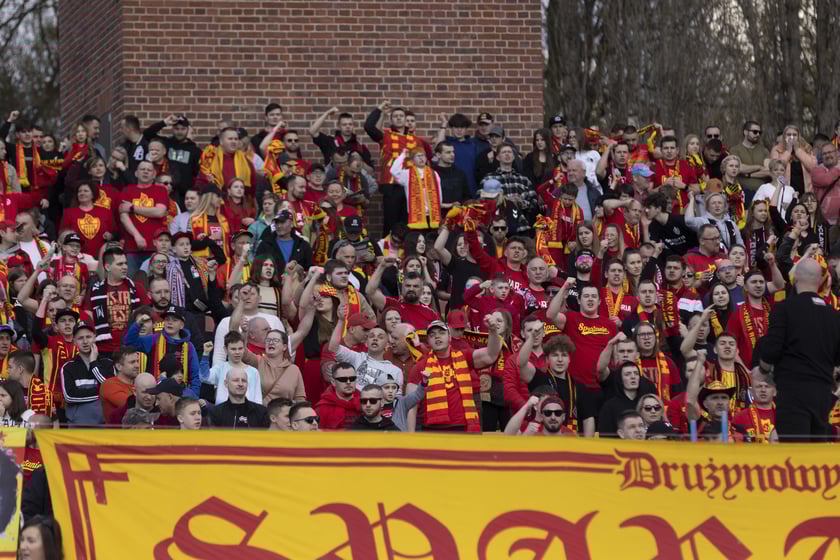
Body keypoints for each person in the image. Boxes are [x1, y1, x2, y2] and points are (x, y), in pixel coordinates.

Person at [759, 258, 840, 441]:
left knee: (794, 451)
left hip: (793, 393)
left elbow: (771, 350)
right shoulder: (834, 315)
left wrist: (763, 369)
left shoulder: (784, 309)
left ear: (795, 279)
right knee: (816, 452)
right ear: (819, 281)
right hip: (822, 395)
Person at [406, 319, 502, 432]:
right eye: (432, 335)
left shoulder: (464, 356)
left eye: (441, 333)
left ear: (450, 337)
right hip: (433, 430)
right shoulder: (420, 367)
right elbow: (411, 406)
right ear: (428, 341)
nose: (437, 337)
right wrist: (410, 437)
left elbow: (491, 355)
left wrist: (493, 331)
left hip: (464, 427)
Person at [517, 332, 596, 435]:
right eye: (555, 355)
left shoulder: (579, 386)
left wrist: (587, 443)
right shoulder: (538, 378)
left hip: (569, 438)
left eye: (564, 355)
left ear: (569, 359)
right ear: (547, 359)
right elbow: (521, 363)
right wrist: (532, 336)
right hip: (542, 438)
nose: (560, 360)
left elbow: (588, 418)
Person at [123, 306, 202, 397]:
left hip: (180, 396)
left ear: (182, 325)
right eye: (167, 319)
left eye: (174, 320)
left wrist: (194, 396)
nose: (170, 322)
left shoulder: (189, 346)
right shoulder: (153, 340)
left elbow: (195, 376)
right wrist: (138, 324)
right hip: (155, 394)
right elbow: (129, 342)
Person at [328, 307, 403, 391]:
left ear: (387, 345)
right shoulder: (357, 358)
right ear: (366, 342)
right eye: (371, 336)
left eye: (380, 337)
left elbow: (396, 397)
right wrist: (341, 320)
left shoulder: (394, 371)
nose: (375, 339)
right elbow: (333, 347)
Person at [118, 160, 169, 275]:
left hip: (156, 248)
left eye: (149, 170)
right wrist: (137, 236)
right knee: (133, 281)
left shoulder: (160, 190)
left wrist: (132, 207)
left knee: (157, 281)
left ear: (154, 174)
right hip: (132, 247)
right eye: (142, 169)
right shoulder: (127, 190)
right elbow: (123, 216)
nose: (145, 172)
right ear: (136, 173)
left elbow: (160, 212)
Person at [60, 321, 115, 425]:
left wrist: (93, 363)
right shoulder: (68, 367)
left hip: (104, 426)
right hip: (78, 426)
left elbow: (110, 388)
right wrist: (101, 392)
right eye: (80, 338)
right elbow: (70, 397)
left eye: (88, 337)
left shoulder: (107, 363)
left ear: (94, 337)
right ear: (74, 341)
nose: (85, 341)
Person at [732, 369, 777, 442]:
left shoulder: (783, 417)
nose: (763, 390)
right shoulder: (739, 418)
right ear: (751, 391)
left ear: (774, 391)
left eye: (767, 386)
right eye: (759, 386)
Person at [315, 361, 361, 430]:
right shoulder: (322, 408)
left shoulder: (366, 402)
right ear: (333, 382)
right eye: (343, 379)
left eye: (352, 379)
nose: (348, 382)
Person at [98, 346, 141, 420]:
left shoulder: (139, 383)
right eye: (132, 362)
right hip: (119, 427)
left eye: (137, 361)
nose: (137, 365)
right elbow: (133, 407)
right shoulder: (109, 385)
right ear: (119, 366)